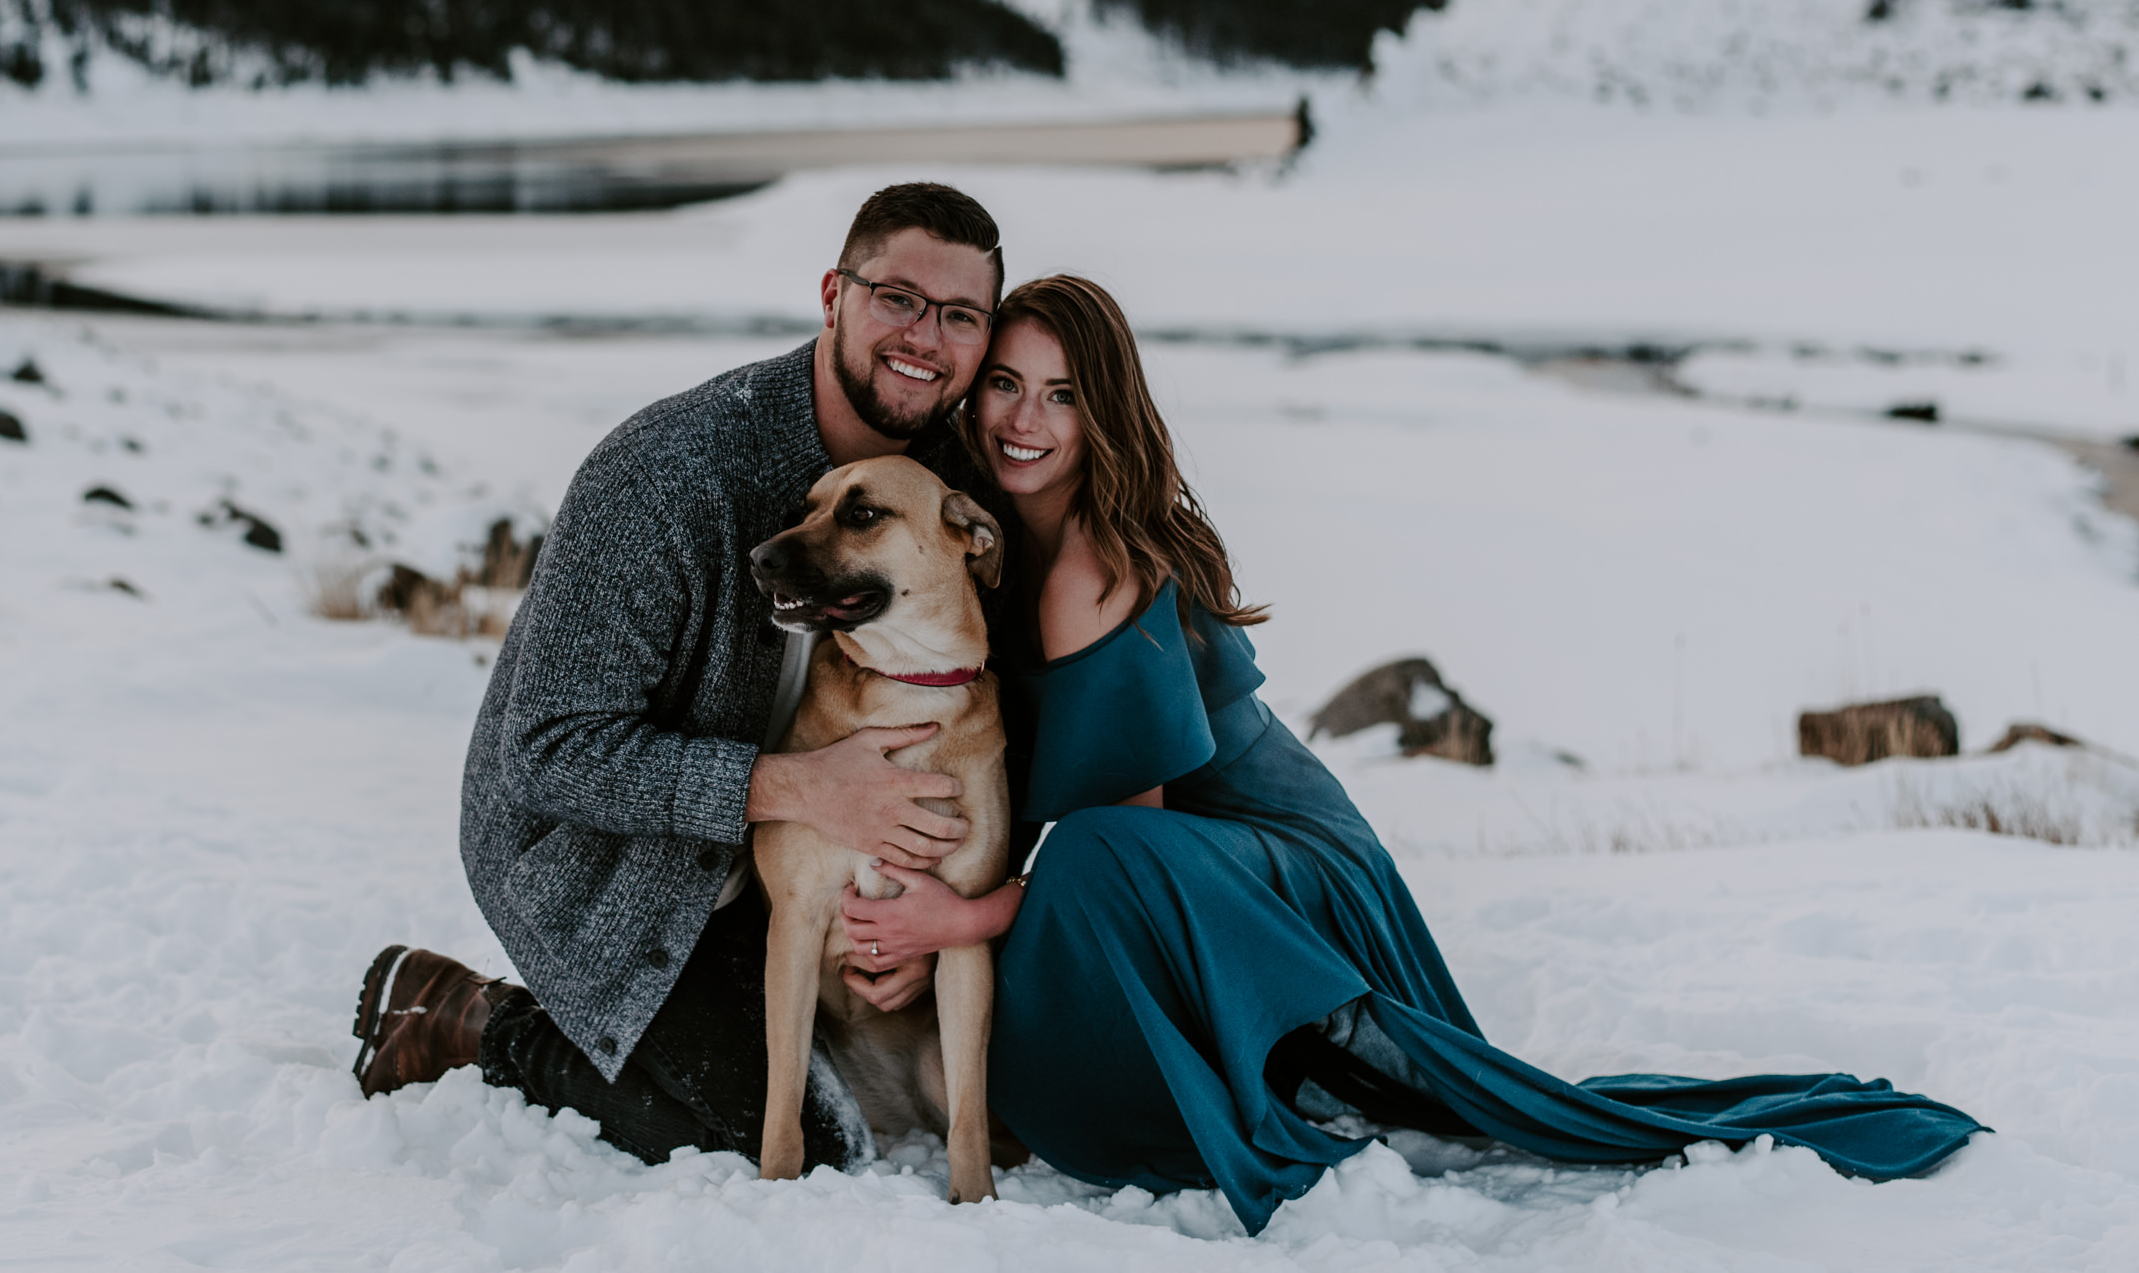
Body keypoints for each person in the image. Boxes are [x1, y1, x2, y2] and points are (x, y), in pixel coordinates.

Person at [835, 274, 1985, 1235]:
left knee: (1091, 859)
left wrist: (955, 923)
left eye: (1062, 396)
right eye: (1005, 384)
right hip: (1181, 869)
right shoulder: (979, 540)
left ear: (1105, 415)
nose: (1024, 420)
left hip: (1270, 858)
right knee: (1076, 891)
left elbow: (1120, 848)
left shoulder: (1093, 566)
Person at [348, 182, 1014, 1173]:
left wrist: (925, 916)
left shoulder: (945, 489)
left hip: (789, 863)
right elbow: (547, 753)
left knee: (926, 1090)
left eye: (960, 314)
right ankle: (471, 1019)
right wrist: (798, 790)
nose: (925, 336)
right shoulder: (665, 475)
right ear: (833, 295)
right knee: (784, 1143)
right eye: (897, 298)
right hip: (598, 864)